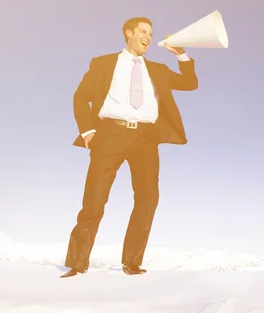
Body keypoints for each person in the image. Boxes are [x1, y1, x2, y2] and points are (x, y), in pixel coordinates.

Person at [60, 17, 198, 278]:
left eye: (151, 33)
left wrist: (181, 54)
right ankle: (77, 264)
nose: (148, 36)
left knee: (147, 199)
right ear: (129, 33)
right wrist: (88, 130)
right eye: (143, 31)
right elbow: (80, 97)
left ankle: (132, 262)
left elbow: (190, 84)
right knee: (94, 199)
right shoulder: (103, 63)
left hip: (146, 139)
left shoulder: (157, 70)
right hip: (110, 134)